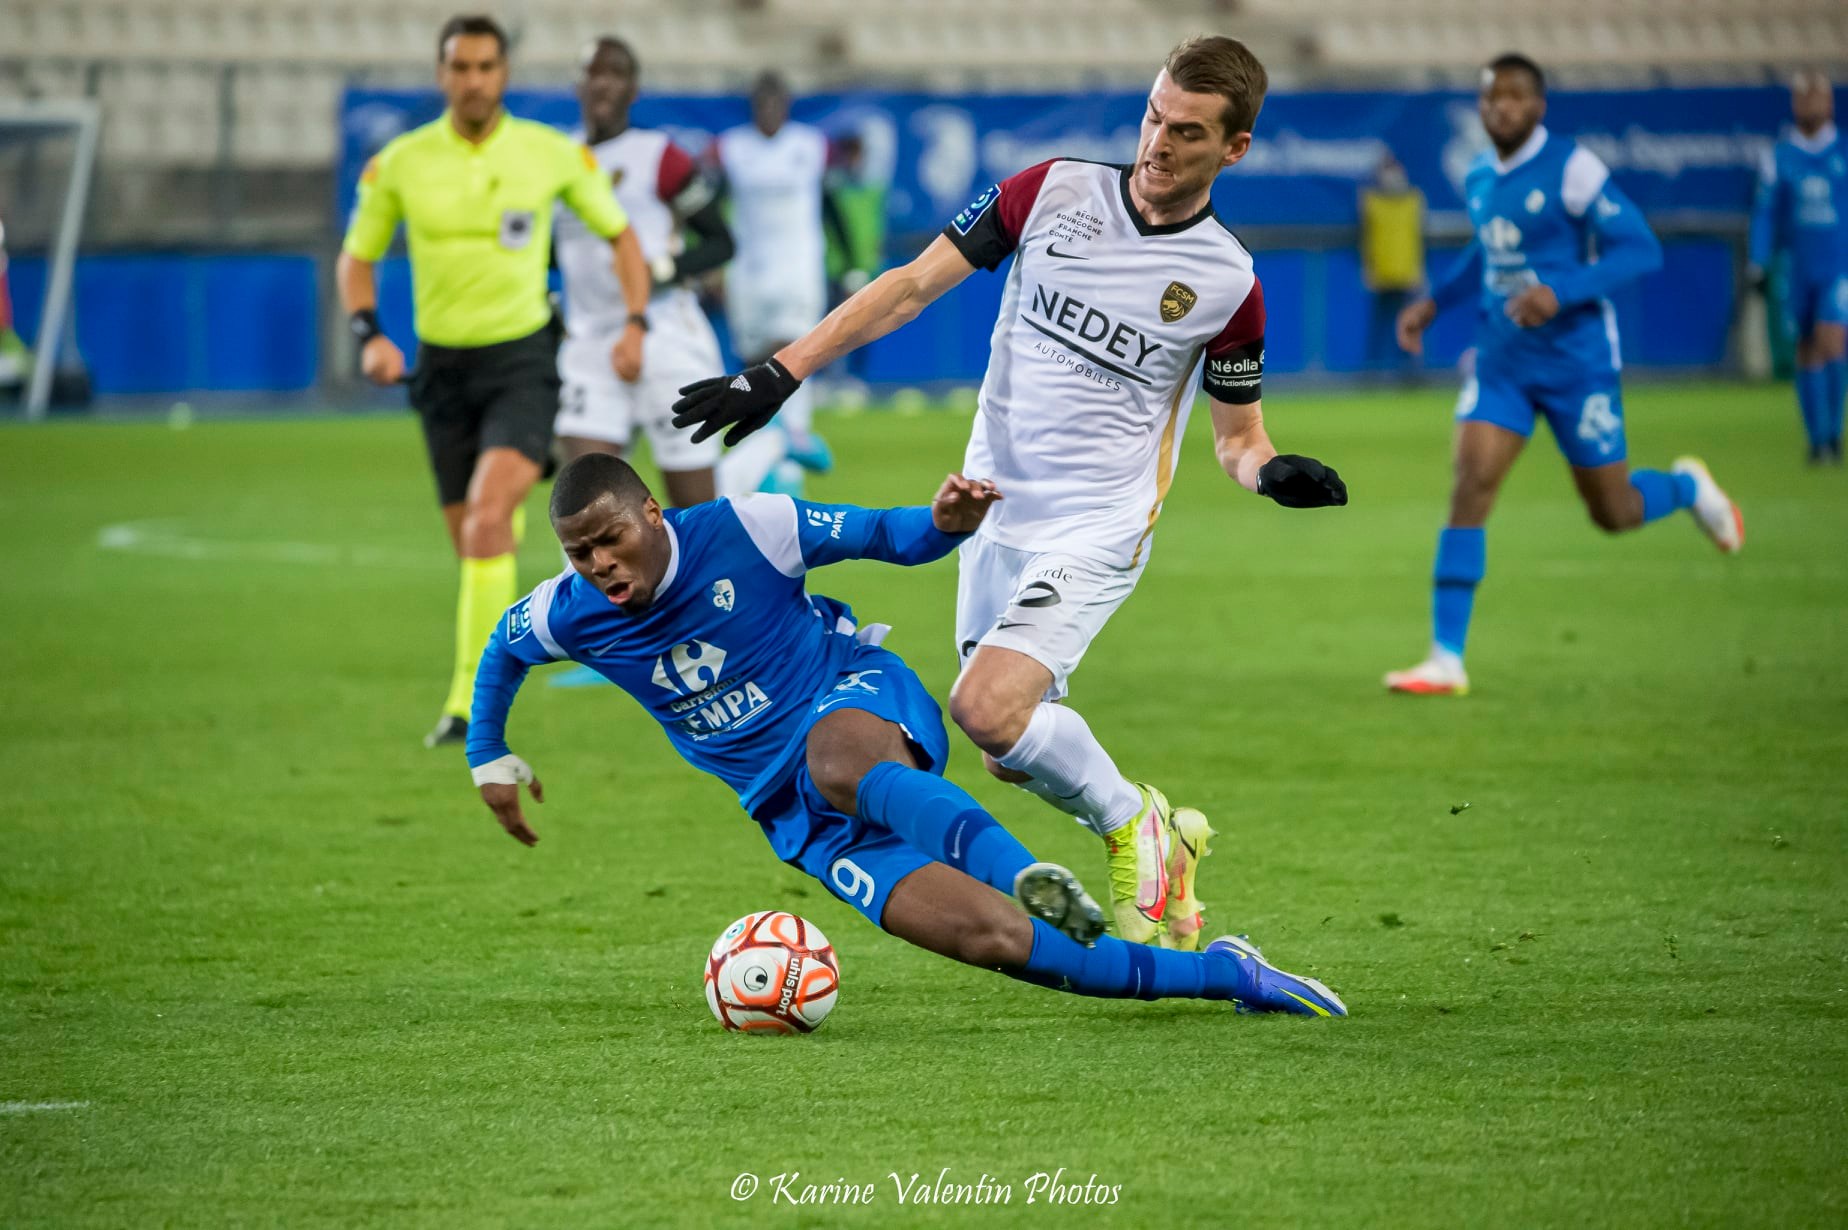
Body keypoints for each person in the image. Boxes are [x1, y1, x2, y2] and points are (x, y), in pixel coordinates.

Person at [673, 36, 1348, 951]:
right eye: (1153, 117)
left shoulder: (1229, 283)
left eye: (1186, 133)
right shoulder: (1051, 192)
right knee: (1001, 749)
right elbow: (911, 287)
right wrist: (781, 372)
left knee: (985, 706)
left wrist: (1270, 473)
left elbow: (1239, 438)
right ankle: (1163, 838)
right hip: (993, 514)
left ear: (1234, 150)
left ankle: (1136, 827)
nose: (1157, 144)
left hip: (1100, 526)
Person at [465, 454, 1347, 1017]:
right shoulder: (569, 612)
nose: (599, 565)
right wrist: (489, 757)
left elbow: (891, 536)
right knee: (997, 943)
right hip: (796, 818)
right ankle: (1232, 976)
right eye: (580, 554)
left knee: (839, 760)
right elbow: (499, 657)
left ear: (651, 512)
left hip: (853, 700)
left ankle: (1023, 871)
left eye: (609, 540)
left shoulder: (748, 528)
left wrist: (946, 524)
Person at [1385, 53, 1744, 698]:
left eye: (1515, 97)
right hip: (1503, 361)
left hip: (1578, 365)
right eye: (1491, 97)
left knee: (1613, 511)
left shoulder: (1574, 169)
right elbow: (1487, 248)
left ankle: (1689, 488)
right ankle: (1446, 657)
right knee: (1470, 484)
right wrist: (1437, 303)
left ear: (1539, 105)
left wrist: (1563, 290)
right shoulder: (1478, 175)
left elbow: (1640, 246)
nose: (1501, 107)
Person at [337, 14, 652, 747]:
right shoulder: (401, 163)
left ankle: (464, 706)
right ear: (442, 74)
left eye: (485, 67)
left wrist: (635, 322)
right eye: (460, 67)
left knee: (484, 522)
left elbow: (621, 236)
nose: (473, 80)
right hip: (441, 371)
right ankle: (512, 505)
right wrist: (368, 334)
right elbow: (358, 257)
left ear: (503, 73)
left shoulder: (551, 155)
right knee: (476, 540)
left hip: (523, 363)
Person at [553, 36, 737, 508]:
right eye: (594, 72)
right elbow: (551, 255)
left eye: (615, 73)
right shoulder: (558, 161)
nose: (603, 83)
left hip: (666, 338)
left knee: (694, 518)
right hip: (590, 344)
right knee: (585, 514)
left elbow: (721, 240)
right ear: (578, 85)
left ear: (633, 88)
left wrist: (664, 269)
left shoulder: (660, 156)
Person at [712, 71, 840, 491]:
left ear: (786, 104)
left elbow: (831, 205)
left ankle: (790, 446)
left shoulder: (809, 146)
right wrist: (712, 263)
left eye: (775, 102)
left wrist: (853, 263)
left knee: (792, 353)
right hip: (747, 271)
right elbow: (711, 206)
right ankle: (771, 451)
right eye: (761, 102)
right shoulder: (733, 148)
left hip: (797, 268)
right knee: (754, 363)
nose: (768, 111)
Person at [1749, 70, 1847, 464]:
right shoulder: (1779, 157)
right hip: (1797, 267)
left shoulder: (1842, 152)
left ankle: (1833, 433)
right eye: (1801, 99)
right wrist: (1758, 263)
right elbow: (1765, 214)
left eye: (1816, 98)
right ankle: (1816, 441)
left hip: (1838, 266)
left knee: (1832, 340)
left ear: (1830, 103)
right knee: (1806, 349)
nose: (1808, 106)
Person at [1358, 152, 1425, 378]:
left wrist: (1420, 271)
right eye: (1386, 171)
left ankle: (1410, 373)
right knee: (1380, 327)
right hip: (1381, 275)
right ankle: (1372, 371)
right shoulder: (1371, 202)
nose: (1392, 177)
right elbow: (1366, 239)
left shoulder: (1413, 200)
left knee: (1407, 324)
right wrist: (1368, 269)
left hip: (1407, 274)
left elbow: (1418, 238)